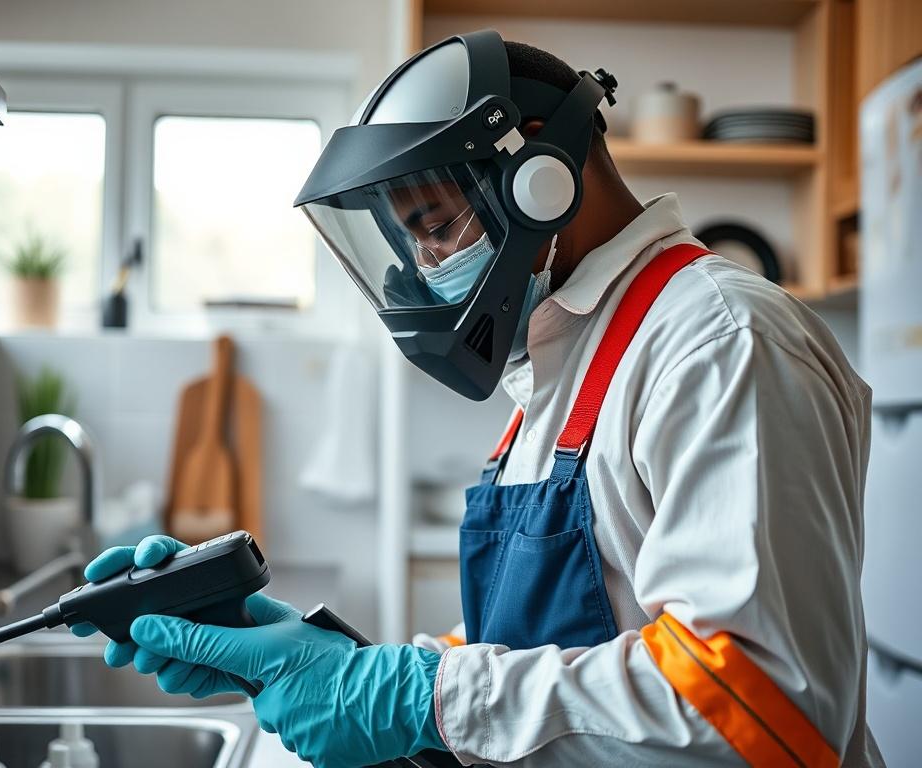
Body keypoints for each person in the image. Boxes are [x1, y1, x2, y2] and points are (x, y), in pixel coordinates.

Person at [77, 31, 884, 767]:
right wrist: (314, 656)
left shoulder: (717, 340)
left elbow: (765, 713)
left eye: (434, 225)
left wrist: (415, 696)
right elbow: (538, 646)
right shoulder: (561, 361)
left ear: (536, 174)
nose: (426, 266)